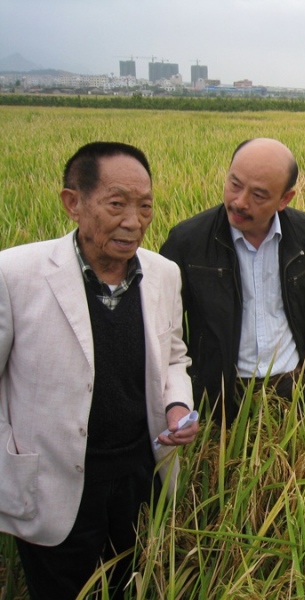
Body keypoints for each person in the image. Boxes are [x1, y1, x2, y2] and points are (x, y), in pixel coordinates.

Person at [0, 141, 199, 599]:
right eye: (117, 204)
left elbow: (173, 355)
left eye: (145, 206)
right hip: (52, 481)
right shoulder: (16, 274)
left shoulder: (164, 273)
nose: (134, 221)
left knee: (130, 584)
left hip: (137, 475)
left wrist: (176, 405)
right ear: (73, 202)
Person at [160, 138, 305, 423]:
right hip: (221, 392)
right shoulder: (187, 241)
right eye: (234, 184)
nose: (240, 202)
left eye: (259, 195)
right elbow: (163, 320)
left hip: (296, 382)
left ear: (284, 199)